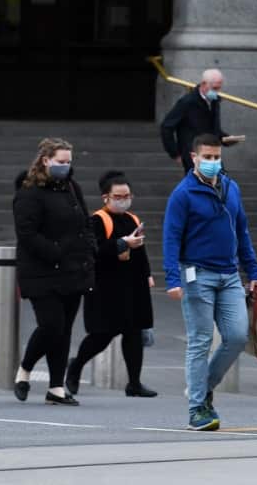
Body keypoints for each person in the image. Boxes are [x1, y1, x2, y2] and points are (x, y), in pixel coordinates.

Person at [162, 133, 257, 431]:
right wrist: (172, 278)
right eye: (207, 157)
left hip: (229, 274)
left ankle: (202, 388)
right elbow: (171, 238)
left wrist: (253, 272)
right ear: (194, 158)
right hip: (197, 275)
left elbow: (242, 231)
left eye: (217, 157)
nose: (213, 162)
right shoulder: (183, 194)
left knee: (237, 336)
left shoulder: (231, 188)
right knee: (200, 342)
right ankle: (197, 409)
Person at [13, 138, 95, 406]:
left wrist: (89, 248)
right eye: (61, 161)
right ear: (45, 160)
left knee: (64, 331)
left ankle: (56, 387)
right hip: (41, 271)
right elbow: (26, 233)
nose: (65, 166)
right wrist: (56, 252)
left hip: (72, 270)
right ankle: (24, 370)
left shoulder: (72, 187)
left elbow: (85, 221)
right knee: (51, 326)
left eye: (69, 161)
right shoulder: (29, 191)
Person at [65, 171, 157, 399]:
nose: (123, 199)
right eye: (118, 196)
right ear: (106, 197)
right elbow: (93, 251)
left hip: (132, 284)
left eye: (127, 195)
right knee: (101, 335)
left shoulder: (132, 219)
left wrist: (147, 274)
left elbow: (141, 251)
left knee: (134, 332)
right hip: (105, 286)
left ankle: (134, 382)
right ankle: (76, 366)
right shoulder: (97, 220)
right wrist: (121, 243)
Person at [160, 69, 236, 173]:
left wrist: (226, 139)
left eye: (219, 88)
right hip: (194, 154)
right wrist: (175, 153)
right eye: (215, 88)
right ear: (204, 84)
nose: (217, 91)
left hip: (211, 152)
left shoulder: (214, 102)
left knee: (221, 182)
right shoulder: (187, 102)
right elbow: (166, 127)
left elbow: (213, 130)